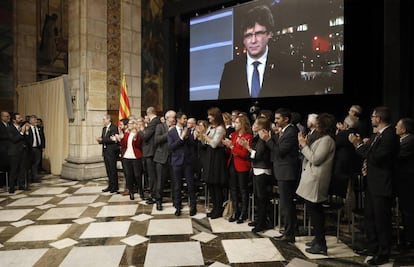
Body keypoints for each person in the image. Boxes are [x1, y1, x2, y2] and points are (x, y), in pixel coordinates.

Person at [349, 106, 399, 265]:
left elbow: (377, 157)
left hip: (382, 184)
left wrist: (358, 145)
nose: (371, 119)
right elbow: (371, 154)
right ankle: (372, 248)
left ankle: (383, 253)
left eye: (372, 116)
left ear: (379, 118)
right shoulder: (378, 135)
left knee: (381, 221)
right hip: (372, 183)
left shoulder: (390, 135)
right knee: (370, 218)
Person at [218, 4, 301, 99]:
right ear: (243, 39)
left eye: (258, 33)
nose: (253, 41)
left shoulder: (288, 65)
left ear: (269, 34)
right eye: (248, 35)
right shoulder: (230, 69)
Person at [296, 113, 337, 255]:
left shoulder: (327, 140)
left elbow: (316, 159)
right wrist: (305, 145)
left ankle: (321, 244)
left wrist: (303, 145)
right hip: (312, 178)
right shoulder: (322, 138)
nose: (316, 124)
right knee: (314, 213)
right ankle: (317, 240)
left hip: (316, 180)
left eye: (318, 123)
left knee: (316, 213)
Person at [259, 108, 300, 243]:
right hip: (282, 172)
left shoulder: (291, 131)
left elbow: (281, 151)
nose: (275, 121)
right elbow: (277, 144)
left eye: (278, 119)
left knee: (287, 204)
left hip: (287, 173)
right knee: (285, 204)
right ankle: (289, 231)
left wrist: (267, 140)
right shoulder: (284, 131)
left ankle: (290, 233)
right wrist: (272, 137)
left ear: (286, 119)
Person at [240, 116, 273, 232]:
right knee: (258, 197)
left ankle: (262, 222)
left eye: (255, 123)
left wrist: (247, 148)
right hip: (257, 170)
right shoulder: (258, 138)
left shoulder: (263, 138)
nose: (253, 125)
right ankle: (260, 219)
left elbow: (258, 155)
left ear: (260, 126)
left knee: (262, 198)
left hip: (262, 171)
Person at [195, 107, 227, 219]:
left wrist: (204, 135)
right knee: (210, 184)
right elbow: (205, 142)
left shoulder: (220, 129)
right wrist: (201, 135)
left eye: (211, 115)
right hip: (209, 157)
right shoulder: (210, 128)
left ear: (216, 116)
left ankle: (219, 209)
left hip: (217, 158)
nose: (208, 117)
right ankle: (214, 208)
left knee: (216, 184)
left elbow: (214, 144)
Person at [223, 114, 252, 224]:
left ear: (243, 124)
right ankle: (235, 211)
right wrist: (227, 145)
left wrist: (232, 147)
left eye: (237, 122)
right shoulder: (234, 135)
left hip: (242, 166)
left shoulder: (248, 137)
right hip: (232, 165)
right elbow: (231, 151)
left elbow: (244, 154)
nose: (235, 124)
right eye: (235, 122)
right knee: (233, 189)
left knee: (243, 190)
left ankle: (243, 212)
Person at [168, 112, 197, 216]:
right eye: (184, 119)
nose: (186, 121)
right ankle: (177, 206)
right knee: (177, 185)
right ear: (178, 119)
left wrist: (191, 137)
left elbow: (193, 145)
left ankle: (193, 206)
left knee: (190, 185)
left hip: (187, 162)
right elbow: (171, 147)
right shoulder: (171, 132)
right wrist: (181, 138)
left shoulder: (188, 131)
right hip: (176, 162)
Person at [395, 117, 414, 250]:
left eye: (397, 125)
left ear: (404, 129)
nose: (395, 127)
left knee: (408, 211)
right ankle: (406, 236)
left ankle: (410, 240)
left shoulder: (410, 140)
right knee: (404, 210)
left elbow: (398, 156)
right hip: (402, 181)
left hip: (408, 182)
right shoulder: (402, 140)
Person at [112, 119, 143, 200]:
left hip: (136, 157)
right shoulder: (126, 133)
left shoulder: (138, 133)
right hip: (126, 156)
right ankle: (131, 192)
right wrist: (121, 137)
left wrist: (135, 138)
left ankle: (140, 190)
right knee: (129, 175)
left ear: (135, 124)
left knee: (137, 175)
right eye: (129, 123)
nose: (129, 125)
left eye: (131, 123)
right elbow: (123, 145)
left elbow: (139, 145)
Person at [153, 110, 176, 210]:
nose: (174, 119)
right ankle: (159, 201)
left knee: (175, 181)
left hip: (174, 158)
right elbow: (157, 140)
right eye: (173, 117)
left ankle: (176, 201)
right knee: (160, 182)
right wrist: (169, 133)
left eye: (175, 117)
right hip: (161, 158)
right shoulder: (160, 126)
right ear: (167, 118)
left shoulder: (177, 128)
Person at [140, 106, 161, 204]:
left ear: (148, 113)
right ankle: (153, 195)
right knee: (151, 176)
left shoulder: (154, 122)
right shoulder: (154, 122)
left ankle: (154, 196)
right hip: (150, 152)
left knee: (153, 176)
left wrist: (141, 129)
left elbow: (145, 136)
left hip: (151, 152)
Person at [96, 114, 120, 193]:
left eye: (104, 119)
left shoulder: (114, 128)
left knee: (113, 169)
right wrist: (100, 141)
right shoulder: (104, 129)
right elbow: (105, 139)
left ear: (108, 119)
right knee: (108, 170)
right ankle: (110, 185)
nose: (103, 121)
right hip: (105, 151)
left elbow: (112, 140)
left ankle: (115, 186)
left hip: (112, 152)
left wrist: (102, 140)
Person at [7, 113, 30, 193]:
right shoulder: (10, 128)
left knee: (22, 169)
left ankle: (21, 185)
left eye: (21, 117)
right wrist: (21, 132)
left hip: (22, 151)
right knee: (14, 170)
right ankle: (12, 187)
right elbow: (13, 139)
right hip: (14, 152)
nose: (21, 119)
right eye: (19, 118)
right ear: (14, 120)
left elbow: (26, 140)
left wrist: (26, 132)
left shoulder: (21, 127)